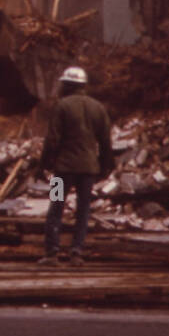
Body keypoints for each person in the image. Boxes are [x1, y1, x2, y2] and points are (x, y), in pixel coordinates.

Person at [39, 66, 113, 266]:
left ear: (67, 85)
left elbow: (52, 140)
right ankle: (76, 251)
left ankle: (51, 253)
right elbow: (106, 141)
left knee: (55, 206)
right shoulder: (98, 107)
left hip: (62, 169)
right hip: (88, 169)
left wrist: (44, 164)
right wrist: (106, 167)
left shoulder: (61, 106)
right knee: (84, 209)